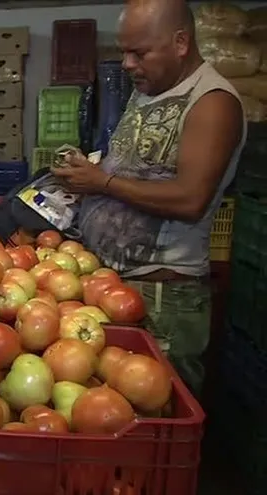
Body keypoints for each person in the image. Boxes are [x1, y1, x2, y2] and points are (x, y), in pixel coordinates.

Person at [52, 0, 245, 396]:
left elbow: (191, 199)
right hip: (114, 289)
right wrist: (86, 174)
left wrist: (102, 183)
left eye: (139, 52)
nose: (126, 64)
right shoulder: (148, 92)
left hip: (162, 300)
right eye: (124, 51)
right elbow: (132, 167)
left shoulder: (212, 103)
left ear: (180, 42)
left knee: (155, 423)